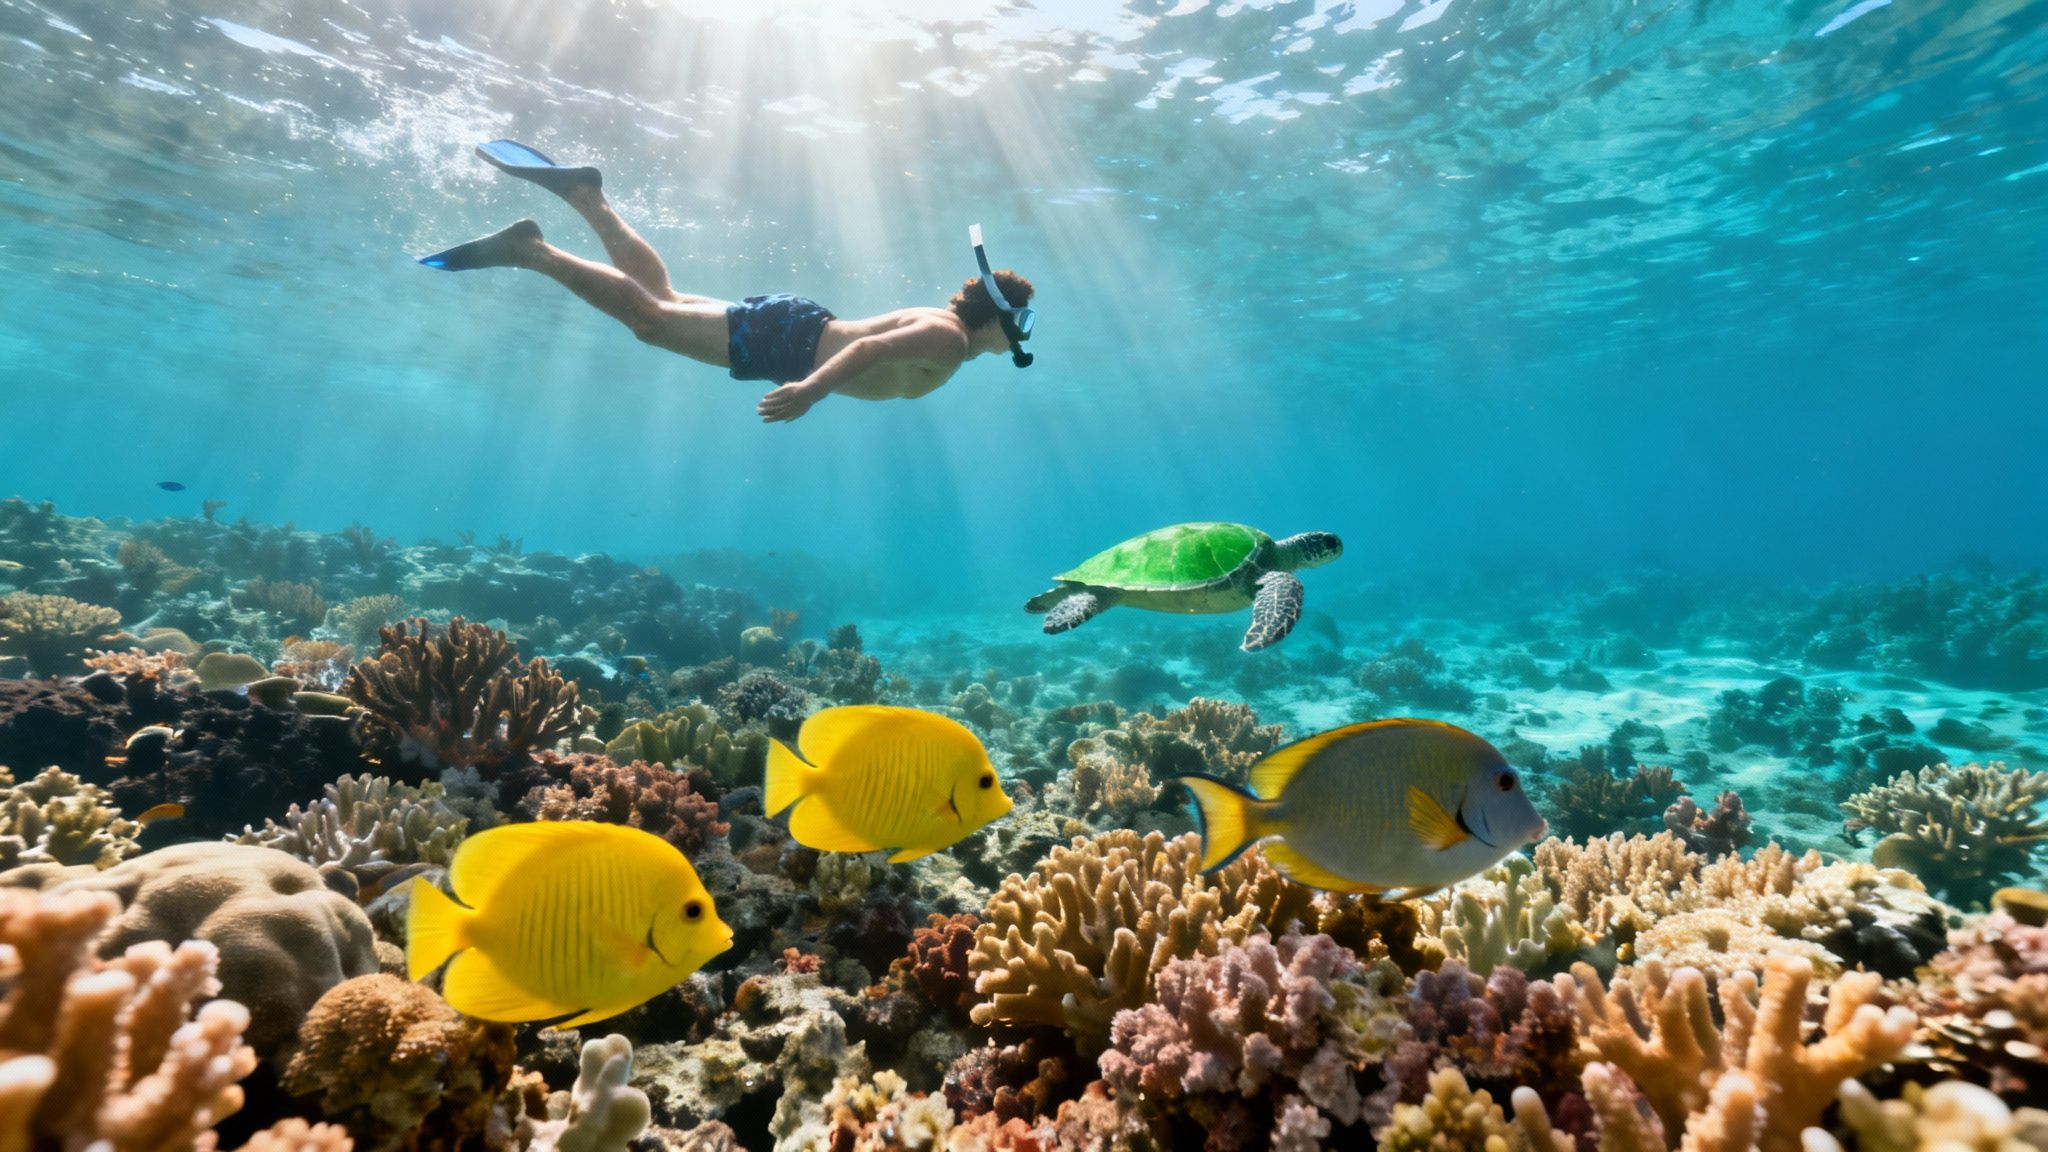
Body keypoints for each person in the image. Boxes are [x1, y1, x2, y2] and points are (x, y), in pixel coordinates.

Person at [419, 141, 1037, 423]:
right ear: (1000, 316)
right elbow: (869, 350)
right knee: (651, 321)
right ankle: (534, 251)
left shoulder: (943, 326)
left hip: (794, 330)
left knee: (664, 300)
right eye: (1024, 322)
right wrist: (811, 390)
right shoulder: (950, 338)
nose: (1022, 337)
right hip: (790, 346)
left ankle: (586, 195)